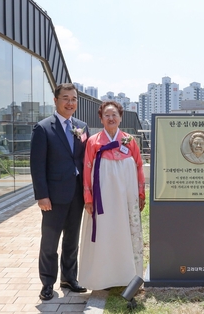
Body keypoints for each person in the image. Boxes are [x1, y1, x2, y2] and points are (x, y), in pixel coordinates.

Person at [30, 83, 90, 301]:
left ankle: (69, 278)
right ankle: (47, 283)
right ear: (56, 101)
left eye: (74, 99)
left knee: (72, 240)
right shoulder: (43, 128)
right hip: (53, 196)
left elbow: (86, 161)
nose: (70, 103)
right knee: (50, 241)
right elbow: (37, 166)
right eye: (66, 98)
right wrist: (41, 195)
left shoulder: (82, 127)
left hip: (77, 194)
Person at [78, 101, 146, 290]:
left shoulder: (129, 141)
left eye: (114, 114)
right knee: (104, 231)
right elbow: (87, 169)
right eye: (107, 115)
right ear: (101, 118)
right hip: (103, 196)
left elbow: (139, 166)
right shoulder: (93, 142)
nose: (111, 118)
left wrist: (141, 193)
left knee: (125, 229)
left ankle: (128, 276)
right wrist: (88, 198)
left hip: (126, 194)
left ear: (120, 117)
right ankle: (104, 277)